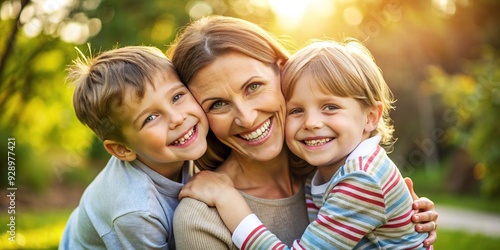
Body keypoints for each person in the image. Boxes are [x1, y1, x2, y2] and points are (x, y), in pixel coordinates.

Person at [168, 15, 438, 249]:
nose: (246, 117)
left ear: (283, 72)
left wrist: (408, 220)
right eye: (217, 104)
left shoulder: (329, 167)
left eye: (253, 87)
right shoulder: (201, 217)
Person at [59, 46, 209, 249]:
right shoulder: (136, 210)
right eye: (150, 118)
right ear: (123, 149)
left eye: (176, 97)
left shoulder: (180, 147)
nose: (177, 118)